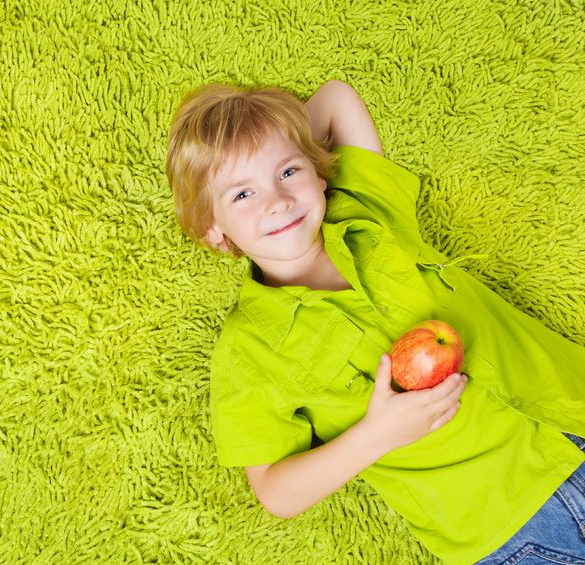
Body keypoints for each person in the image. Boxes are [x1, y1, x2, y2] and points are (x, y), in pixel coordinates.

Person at [165, 79, 585, 564]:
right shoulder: (247, 350)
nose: (277, 200)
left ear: (321, 174)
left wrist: (269, 135)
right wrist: (377, 435)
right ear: (214, 232)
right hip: (508, 524)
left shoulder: (366, 213)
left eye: (288, 171)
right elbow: (275, 492)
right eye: (242, 195)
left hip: (570, 400)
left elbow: (337, 98)